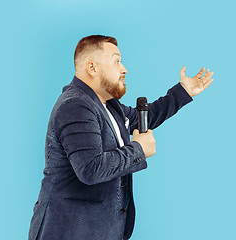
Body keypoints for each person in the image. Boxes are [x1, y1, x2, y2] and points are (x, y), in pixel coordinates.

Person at [28, 35, 214, 240]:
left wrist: (184, 92)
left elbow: (146, 118)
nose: (124, 69)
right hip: (69, 232)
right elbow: (90, 169)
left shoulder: (109, 105)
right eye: (116, 61)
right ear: (92, 67)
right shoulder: (76, 105)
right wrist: (138, 150)